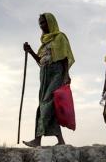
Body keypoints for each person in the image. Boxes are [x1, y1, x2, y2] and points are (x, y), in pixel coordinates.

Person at [23, 13, 75, 147]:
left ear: (51, 22)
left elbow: (64, 58)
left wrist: (66, 75)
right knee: (47, 106)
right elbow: (41, 61)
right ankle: (59, 141)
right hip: (44, 75)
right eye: (40, 23)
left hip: (56, 73)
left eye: (44, 22)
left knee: (45, 106)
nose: (41, 25)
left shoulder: (60, 37)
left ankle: (37, 139)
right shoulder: (44, 41)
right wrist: (30, 51)